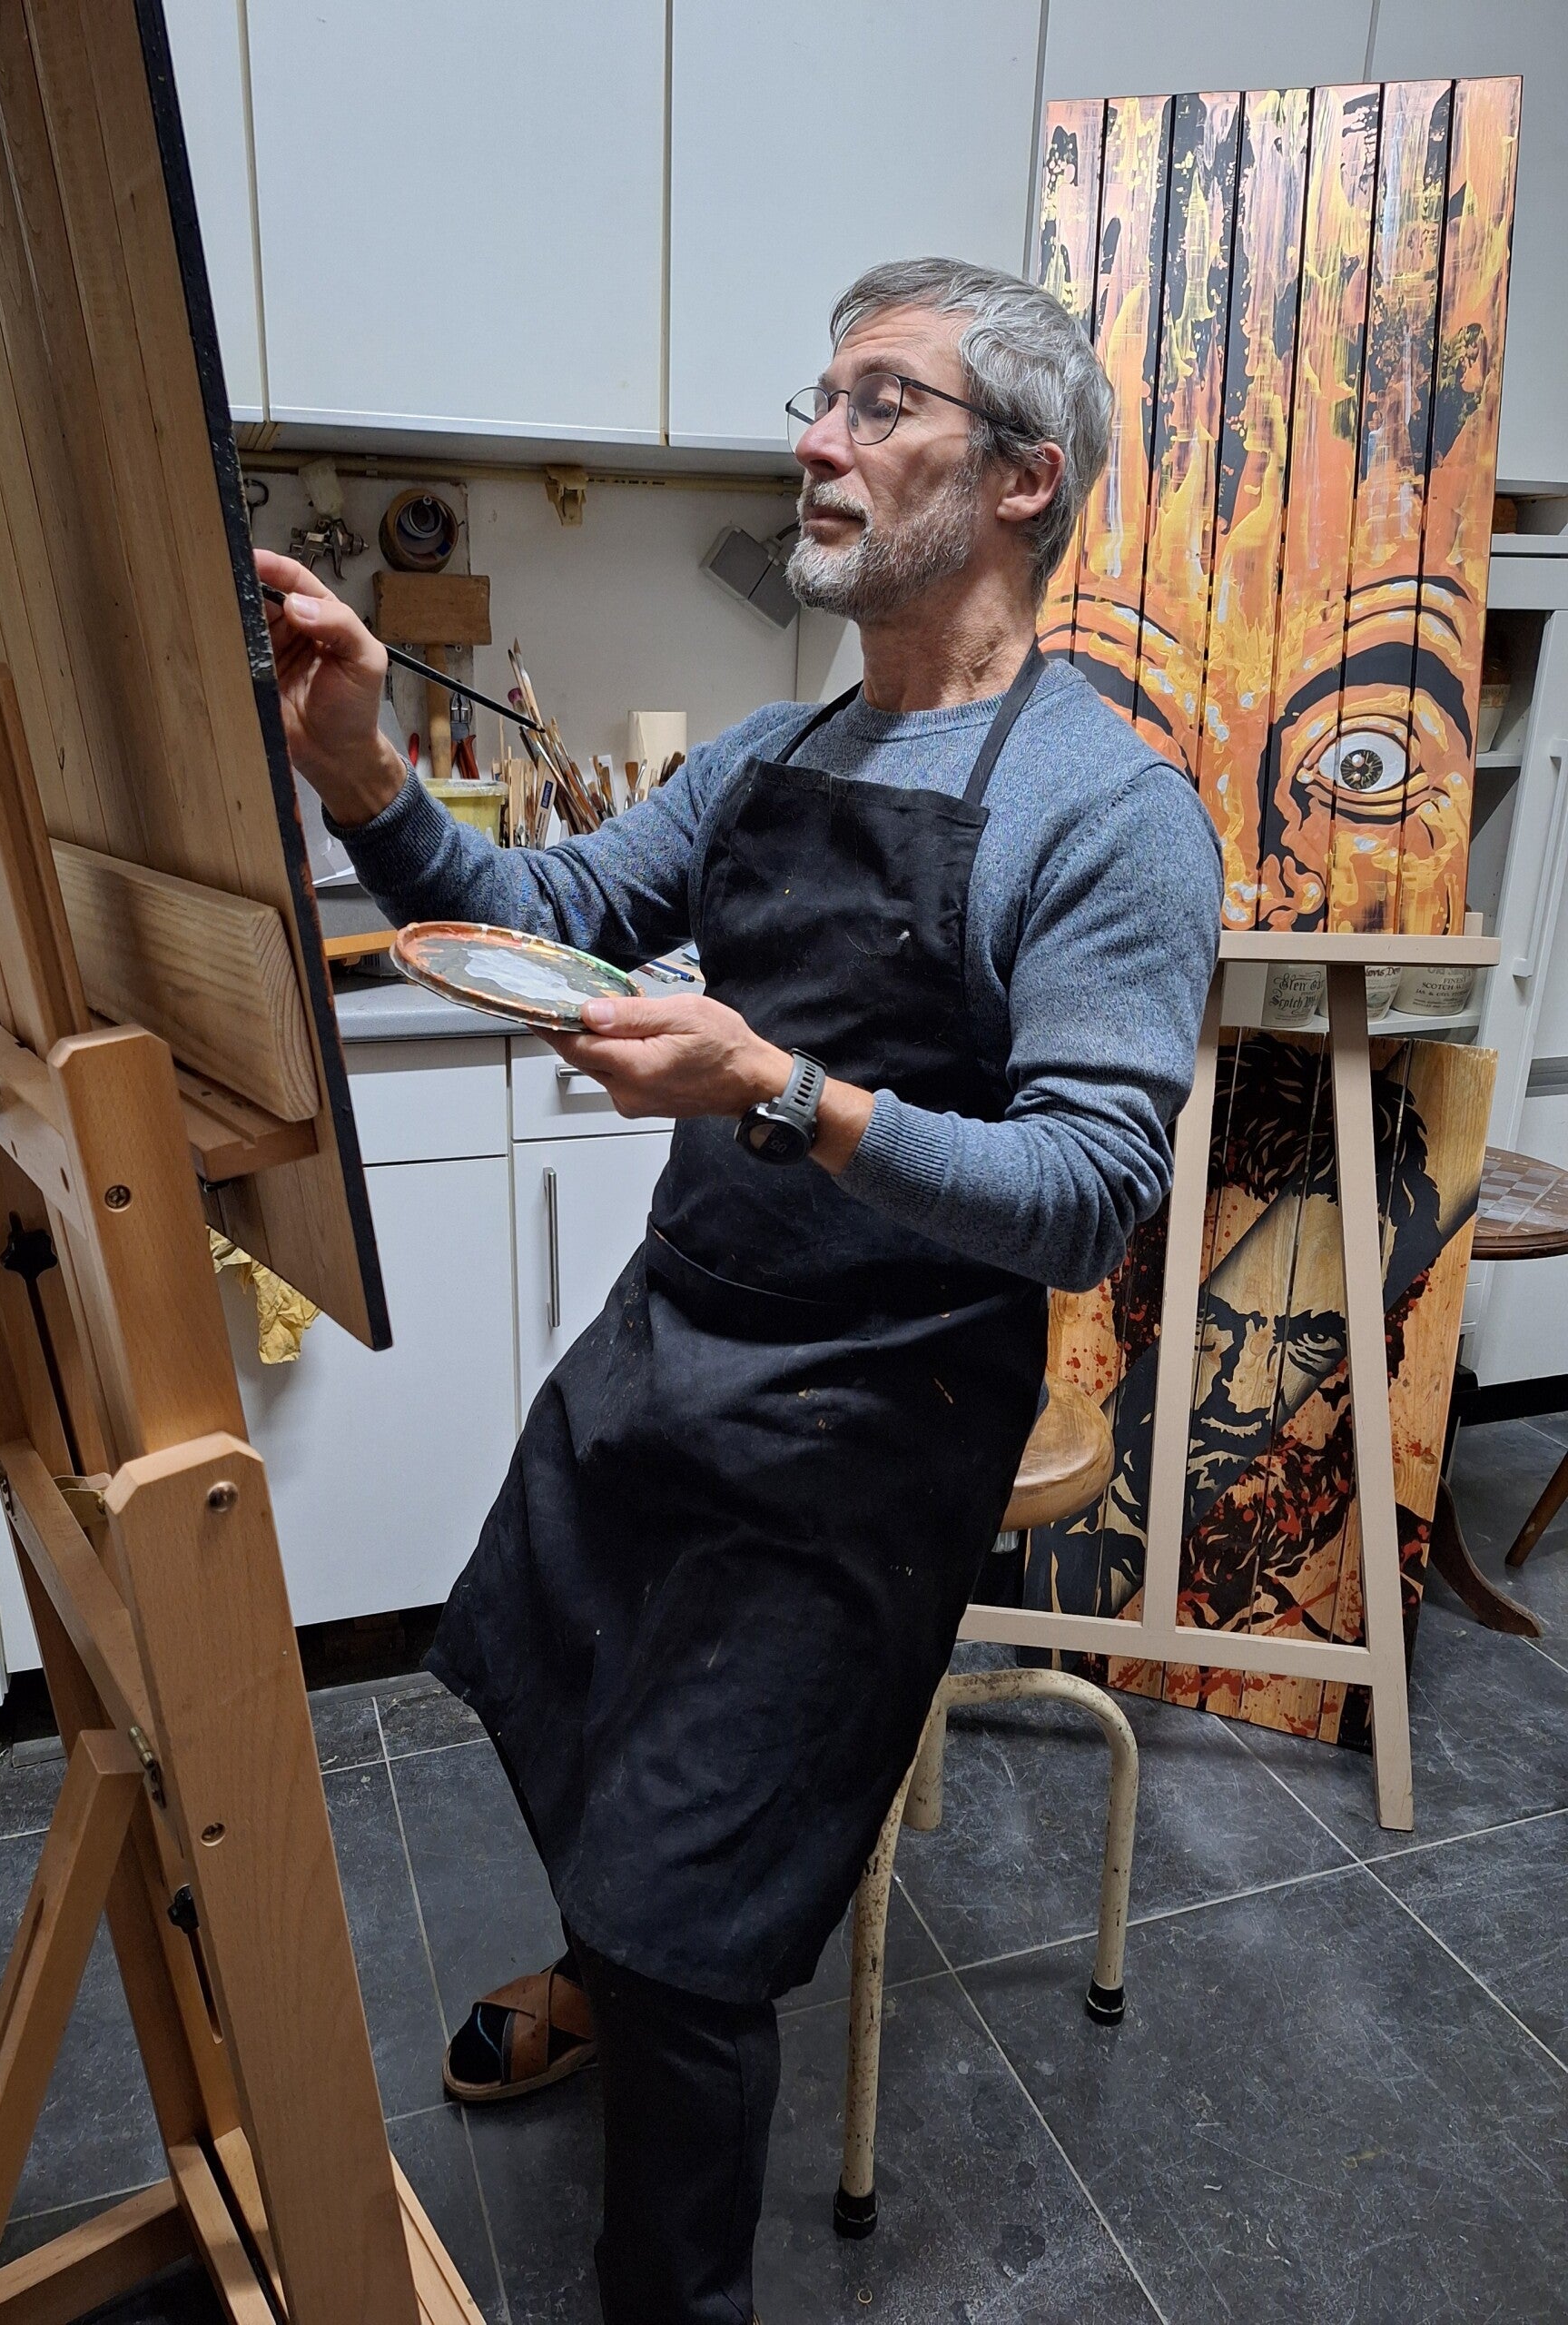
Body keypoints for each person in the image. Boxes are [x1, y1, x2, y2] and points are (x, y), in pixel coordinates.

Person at [258, 256, 1223, 2325]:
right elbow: (547, 915)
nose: (816, 440)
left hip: (872, 1424)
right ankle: (605, 1958)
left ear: (1025, 478)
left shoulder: (1111, 811)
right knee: (559, 1707)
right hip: (670, 1352)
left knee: (700, 1935)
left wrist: (784, 1091)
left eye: (882, 402)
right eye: (822, 396)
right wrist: (363, 776)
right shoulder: (773, 755)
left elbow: (1087, 1198)